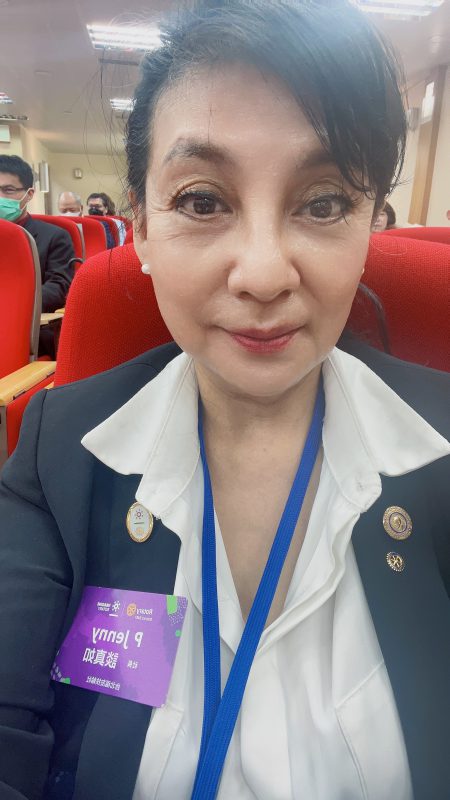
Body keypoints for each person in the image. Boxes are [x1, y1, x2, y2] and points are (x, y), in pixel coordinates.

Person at [0, 3, 449, 800]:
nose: (264, 275)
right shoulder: (59, 450)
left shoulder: (441, 444)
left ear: (368, 225)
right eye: (203, 201)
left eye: (323, 203)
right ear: (141, 226)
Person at [0, 155, 75, 356]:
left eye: (8, 190)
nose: (0, 197)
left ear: (29, 194)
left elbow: (58, 287)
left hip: (31, 329)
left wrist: (11, 306)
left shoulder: (55, 236)